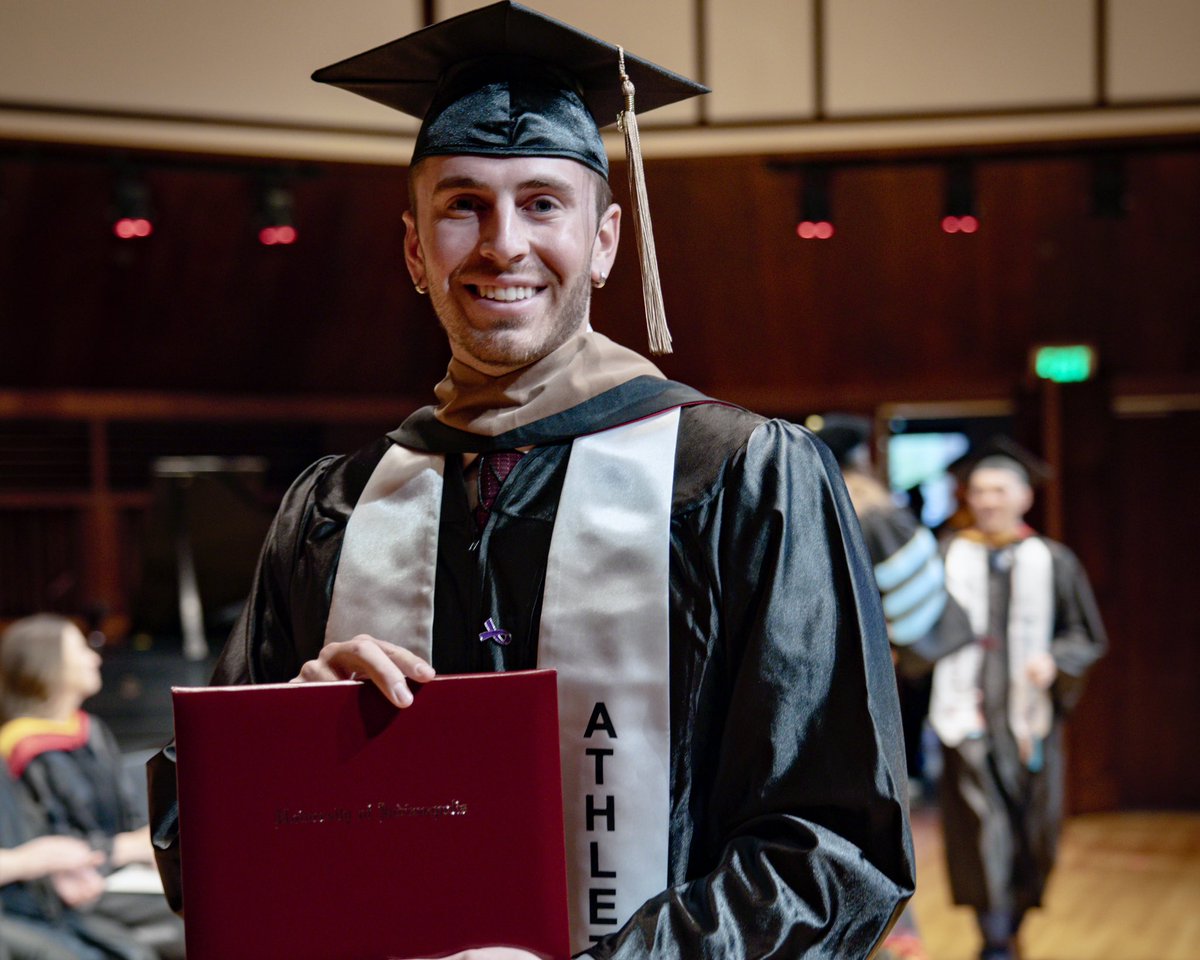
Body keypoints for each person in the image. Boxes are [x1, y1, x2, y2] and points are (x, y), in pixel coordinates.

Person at [149, 3, 915, 957]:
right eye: (462, 204)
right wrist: (296, 749)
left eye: (543, 203)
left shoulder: (740, 478)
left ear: (604, 240)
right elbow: (203, 843)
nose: (503, 243)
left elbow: (836, 849)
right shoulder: (335, 509)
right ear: (415, 250)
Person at [928, 440, 1107, 960]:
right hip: (966, 717)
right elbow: (915, 629)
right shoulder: (946, 555)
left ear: (1024, 497)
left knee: (1033, 832)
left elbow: (1083, 633)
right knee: (983, 829)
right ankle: (995, 937)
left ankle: (1014, 919)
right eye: (978, 491)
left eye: (999, 490)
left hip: (1030, 721)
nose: (987, 501)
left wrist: (1055, 659)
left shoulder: (1053, 561)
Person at [0, 616, 184, 960]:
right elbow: (47, 843)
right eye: (80, 649)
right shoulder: (20, 750)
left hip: (119, 875)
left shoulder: (91, 730)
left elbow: (131, 817)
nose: (95, 657)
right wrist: (124, 849)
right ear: (48, 663)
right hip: (78, 884)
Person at [2, 755, 155, 960]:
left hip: (39, 899)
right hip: (10, 912)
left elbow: (28, 832)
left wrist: (55, 875)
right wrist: (24, 862)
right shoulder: (30, 752)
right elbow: (28, 856)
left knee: (135, 953)